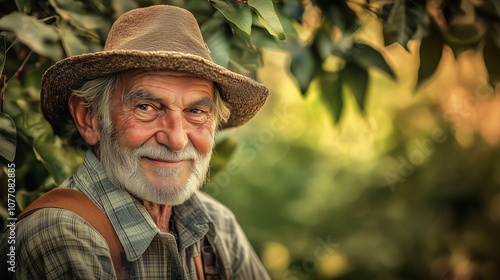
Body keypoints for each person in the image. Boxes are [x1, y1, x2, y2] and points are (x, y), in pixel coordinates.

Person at [0, 5, 270, 279]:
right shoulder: (58, 234)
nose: (176, 140)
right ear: (89, 118)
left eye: (196, 112)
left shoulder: (218, 226)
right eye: (146, 107)